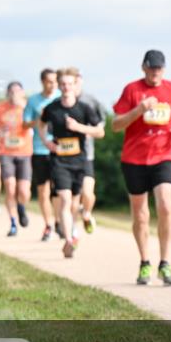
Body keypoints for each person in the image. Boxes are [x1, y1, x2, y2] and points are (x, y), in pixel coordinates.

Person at [112, 49, 171, 286]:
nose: (155, 73)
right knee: (141, 214)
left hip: (164, 154)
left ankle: (165, 262)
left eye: (159, 69)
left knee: (166, 206)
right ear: (144, 67)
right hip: (135, 158)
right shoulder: (132, 90)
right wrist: (139, 110)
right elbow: (116, 125)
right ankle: (145, 262)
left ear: (163, 69)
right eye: (151, 68)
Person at [39, 67, 104, 258]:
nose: (66, 87)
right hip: (60, 161)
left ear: (75, 84)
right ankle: (68, 240)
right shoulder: (52, 108)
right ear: (58, 85)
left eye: (70, 84)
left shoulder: (84, 109)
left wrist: (79, 127)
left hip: (80, 161)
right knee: (65, 200)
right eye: (63, 84)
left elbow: (100, 132)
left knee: (76, 203)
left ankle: (74, 229)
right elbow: (40, 124)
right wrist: (46, 141)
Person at [0, 81, 33, 236]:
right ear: (7, 93)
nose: (14, 94)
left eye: (17, 91)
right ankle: (12, 223)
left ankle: (22, 207)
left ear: (22, 93)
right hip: (6, 153)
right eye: (11, 91)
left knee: (24, 191)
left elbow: (39, 122)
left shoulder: (28, 107)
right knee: (10, 188)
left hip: (25, 152)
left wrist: (25, 111)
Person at [24, 69, 59, 240]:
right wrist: (40, 119)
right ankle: (48, 225)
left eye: (55, 81)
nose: (53, 85)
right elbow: (24, 124)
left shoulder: (61, 97)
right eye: (49, 81)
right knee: (43, 191)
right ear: (42, 82)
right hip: (39, 149)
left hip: (59, 150)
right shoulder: (33, 100)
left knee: (59, 190)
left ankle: (60, 221)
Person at [74, 74, 104, 234]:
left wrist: (87, 130)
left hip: (86, 153)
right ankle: (71, 233)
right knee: (71, 196)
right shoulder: (61, 103)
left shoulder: (90, 101)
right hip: (66, 156)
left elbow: (101, 123)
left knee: (88, 193)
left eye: (77, 82)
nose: (74, 86)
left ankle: (86, 212)